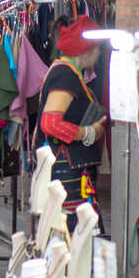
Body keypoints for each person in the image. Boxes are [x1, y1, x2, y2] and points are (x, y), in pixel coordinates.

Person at [34, 15, 108, 229]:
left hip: (71, 173)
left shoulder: (66, 72)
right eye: (98, 48)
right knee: (72, 237)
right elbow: (51, 124)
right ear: (88, 50)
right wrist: (89, 133)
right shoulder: (66, 75)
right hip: (68, 174)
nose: (100, 53)